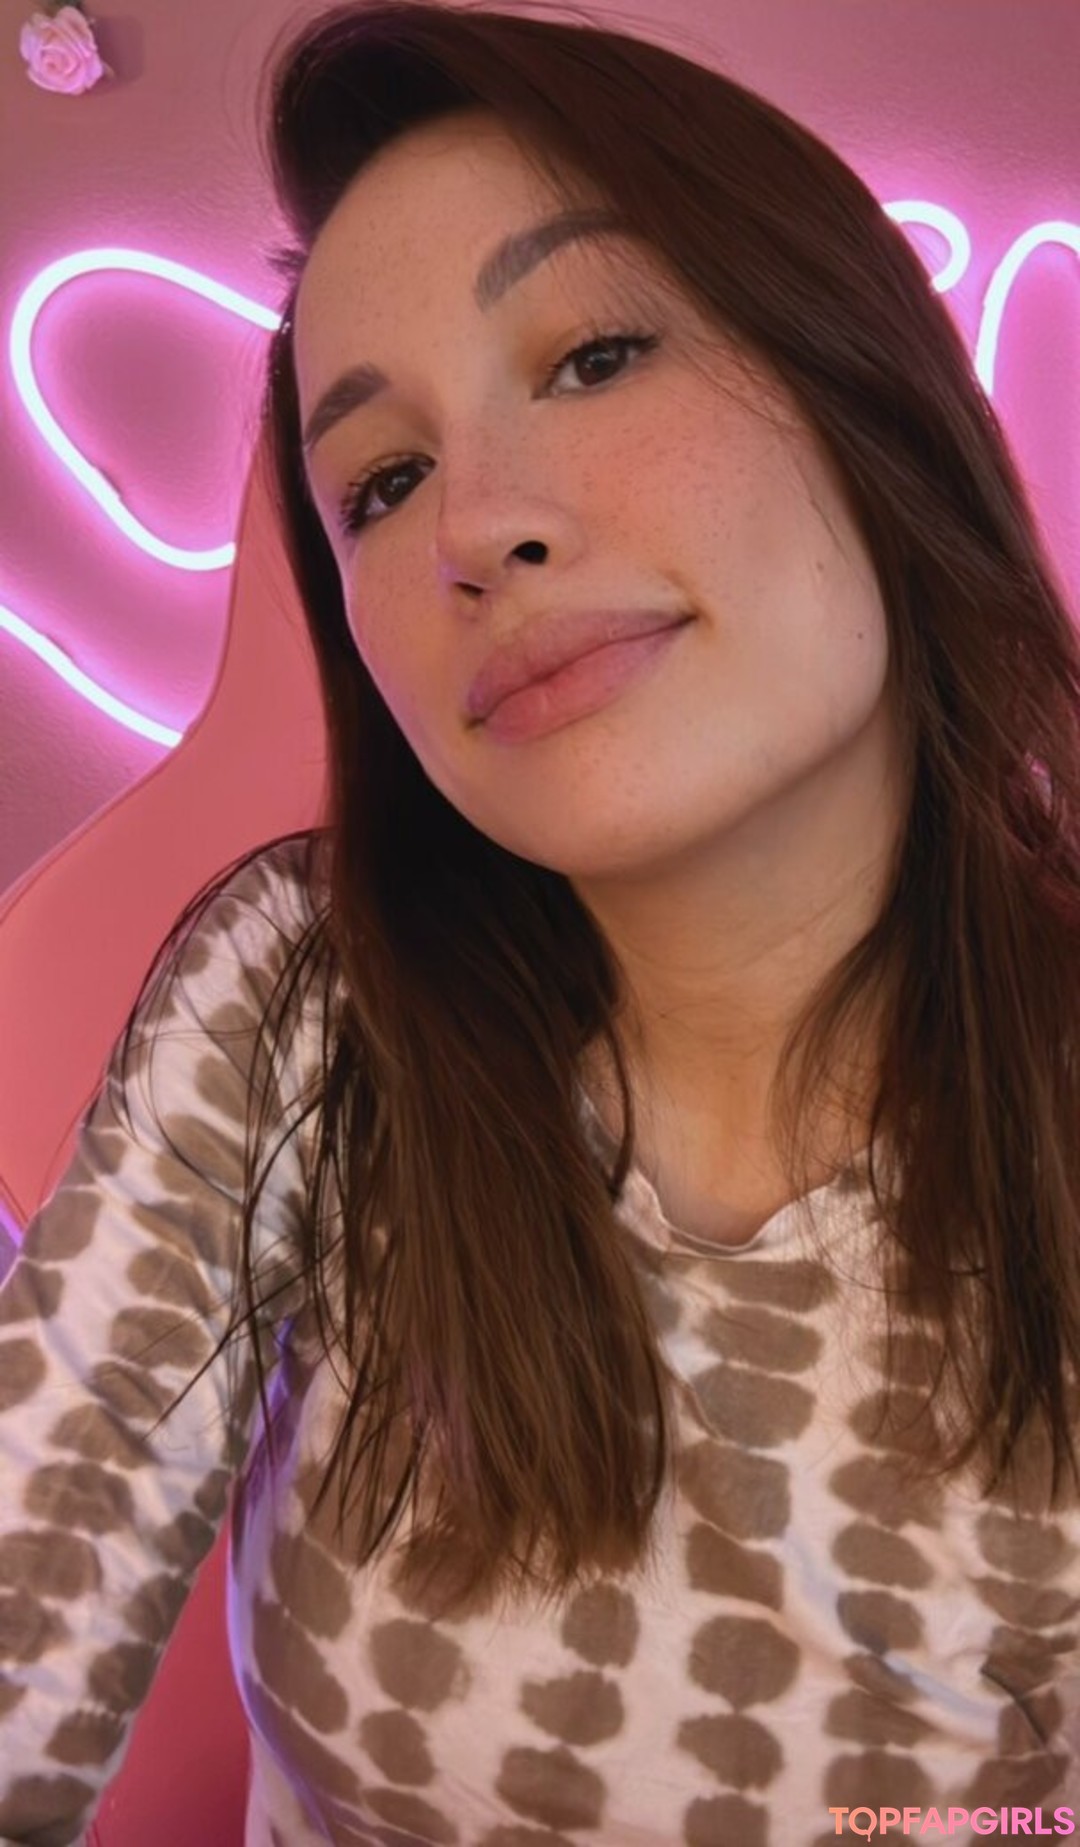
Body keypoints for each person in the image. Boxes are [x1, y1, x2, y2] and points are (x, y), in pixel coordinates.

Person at [1, 1, 1079, 1840]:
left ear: (865, 385)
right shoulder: (304, 1002)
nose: (474, 531)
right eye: (384, 480)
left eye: (596, 355)